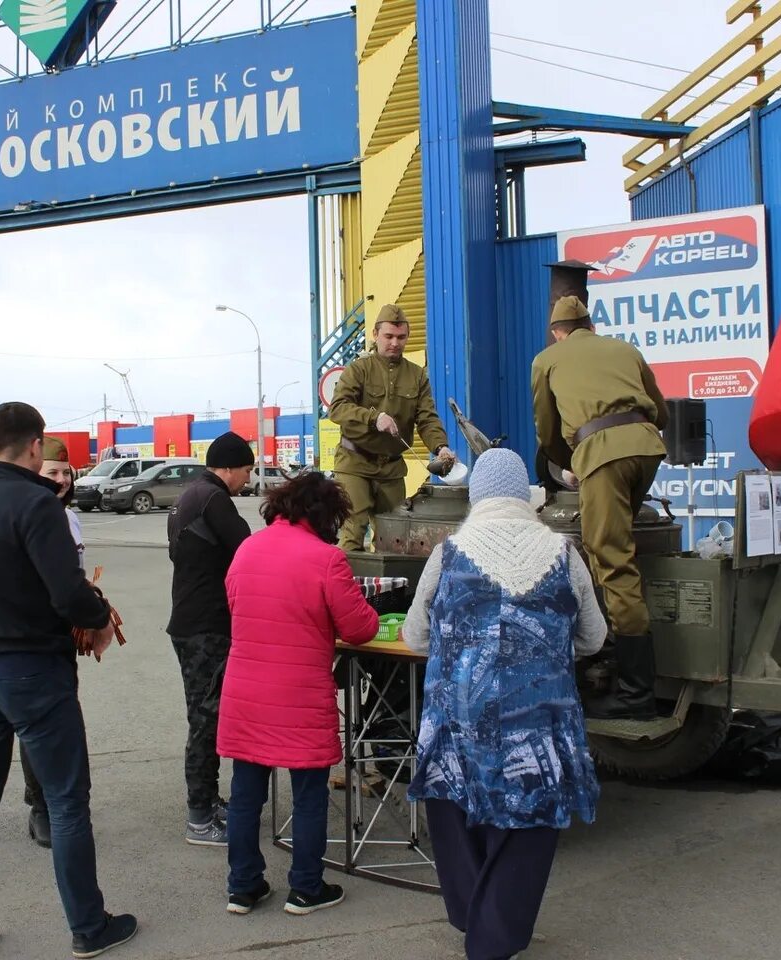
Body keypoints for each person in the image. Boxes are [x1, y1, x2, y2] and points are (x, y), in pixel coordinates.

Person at [0, 403, 136, 960]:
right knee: (68, 801)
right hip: (33, 672)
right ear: (35, 445)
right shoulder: (38, 504)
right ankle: (89, 927)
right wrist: (95, 621)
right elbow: (67, 591)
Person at [402, 448, 605, 960]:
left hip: (458, 720)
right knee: (528, 824)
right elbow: (594, 637)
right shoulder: (563, 551)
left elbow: (414, 635)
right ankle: (494, 934)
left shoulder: (448, 553)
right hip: (539, 721)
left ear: (476, 496)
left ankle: (475, 918)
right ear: (524, 497)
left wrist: (461, 650)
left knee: (454, 812)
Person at [218, 472, 379, 916]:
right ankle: (306, 888)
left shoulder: (248, 548)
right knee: (309, 793)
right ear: (326, 516)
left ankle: (243, 886)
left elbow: (234, 603)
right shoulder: (327, 559)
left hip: (246, 692)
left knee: (246, 794)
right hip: (299, 695)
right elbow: (360, 628)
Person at [531, 294, 668, 720]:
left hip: (601, 453)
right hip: (647, 448)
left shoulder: (547, 359)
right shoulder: (625, 349)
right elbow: (660, 411)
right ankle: (612, 651)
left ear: (558, 332)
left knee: (611, 559)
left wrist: (572, 463)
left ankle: (635, 694)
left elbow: (547, 429)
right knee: (616, 542)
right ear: (590, 325)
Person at [165, 431, 255, 845]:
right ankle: (200, 817)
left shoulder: (191, 495)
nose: (248, 479)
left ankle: (208, 799)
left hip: (190, 621)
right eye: (247, 470)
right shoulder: (215, 500)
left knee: (204, 714)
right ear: (230, 468)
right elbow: (249, 550)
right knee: (207, 717)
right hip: (206, 626)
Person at [328, 303, 456, 551]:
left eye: (401, 337)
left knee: (394, 539)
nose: (395, 343)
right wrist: (373, 418)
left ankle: (388, 590)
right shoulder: (358, 370)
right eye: (388, 336)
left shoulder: (417, 376)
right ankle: (350, 589)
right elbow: (338, 408)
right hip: (355, 464)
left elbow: (427, 418)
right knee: (353, 534)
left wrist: (441, 447)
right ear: (375, 335)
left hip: (391, 469)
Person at [18, 437, 86, 849]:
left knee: (59, 726)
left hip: (62, 635)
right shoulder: (32, 515)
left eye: (65, 472)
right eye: (51, 473)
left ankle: (58, 801)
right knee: (36, 728)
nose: (61, 480)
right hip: (33, 637)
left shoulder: (70, 517)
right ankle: (40, 805)